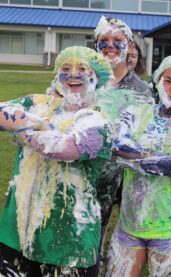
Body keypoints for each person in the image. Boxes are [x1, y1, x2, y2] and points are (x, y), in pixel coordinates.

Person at [0, 46, 113, 276]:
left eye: (82, 68)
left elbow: (64, 148)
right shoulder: (40, 103)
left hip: (69, 241)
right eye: (65, 68)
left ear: (97, 77)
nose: (73, 74)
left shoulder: (99, 121)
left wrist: (24, 131)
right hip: (17, 232)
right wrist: (38, 123)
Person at [104, 54, 171, 276]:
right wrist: (154, 158)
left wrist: (132, 157)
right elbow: (117, 144)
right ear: (158, 81)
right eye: (169, 81)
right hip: (130, 222)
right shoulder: (135, 113)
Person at [93, 15, 154, 262]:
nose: (110, 45)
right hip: (82, 171)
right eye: (103, 40)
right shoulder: (85, 78)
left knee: (104, 235)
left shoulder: (140, 90)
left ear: (128, 46)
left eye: (117, 40)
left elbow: (147, 138)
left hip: (122, 178)